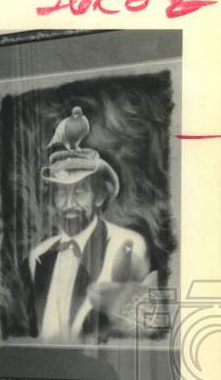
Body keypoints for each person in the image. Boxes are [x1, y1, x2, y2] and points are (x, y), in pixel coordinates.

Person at [17, 128, 153, 343]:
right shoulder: (39, 256)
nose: (69, 204)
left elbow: (137, 326)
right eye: (62, 192)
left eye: (80, 191)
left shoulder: (126, 245)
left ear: (98, 197)